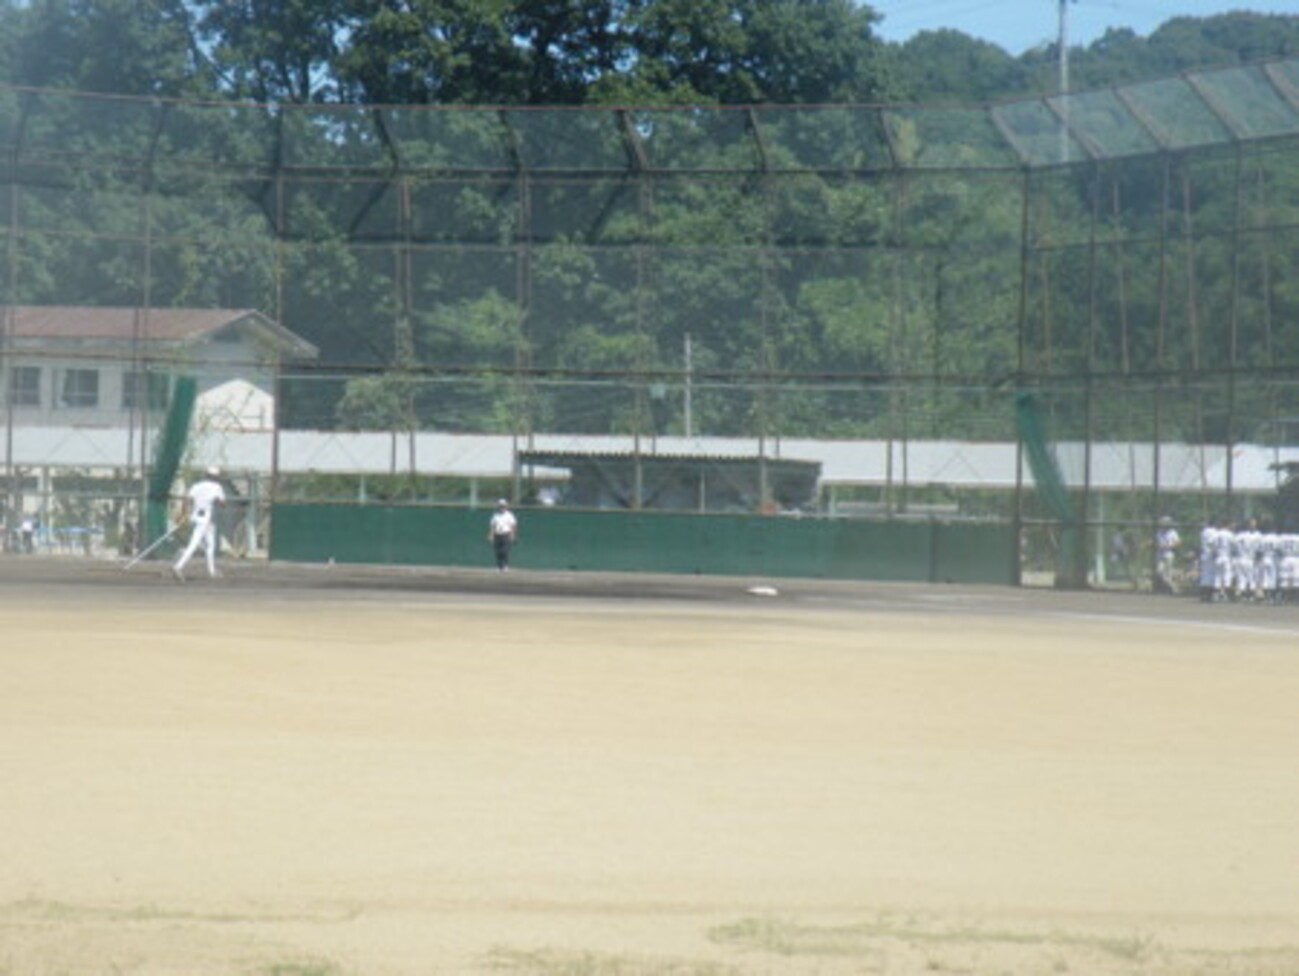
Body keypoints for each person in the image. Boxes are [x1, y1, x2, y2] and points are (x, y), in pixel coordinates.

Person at [172, 466, 227, 580]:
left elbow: (187, 499)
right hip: (205, 519)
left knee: (210, 544)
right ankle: (178, 566)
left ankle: (212, 571)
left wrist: (184, 514)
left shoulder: (197, 486)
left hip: (197, 517)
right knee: (194, 544)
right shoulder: (217, 487)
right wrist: (217, 501)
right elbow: (222, 503)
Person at [487, 498, 518, 572]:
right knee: (498, 551)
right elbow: (493, 525)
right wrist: (491, 535)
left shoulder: (510, 515)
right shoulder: (495, 515)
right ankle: (499, 566)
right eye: (500, 506)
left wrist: (513, 535)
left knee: (504, 551)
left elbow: (513, 525)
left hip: (506, 534)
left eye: (503, 506)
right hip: (497, 534)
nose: (502, 508)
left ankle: (505, 566)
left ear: (506, 506)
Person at [1154, 516, 1181, 594]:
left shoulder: (1173, 532)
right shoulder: (1159, 532)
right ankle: (1174, 587)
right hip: (1160, 554)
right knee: (1159, 572)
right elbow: (1157, 542)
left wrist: (1169, 546)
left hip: (1169, 554)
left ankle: (1170, 589)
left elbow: (1178, 542)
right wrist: (1158, 546)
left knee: (1168, 573)